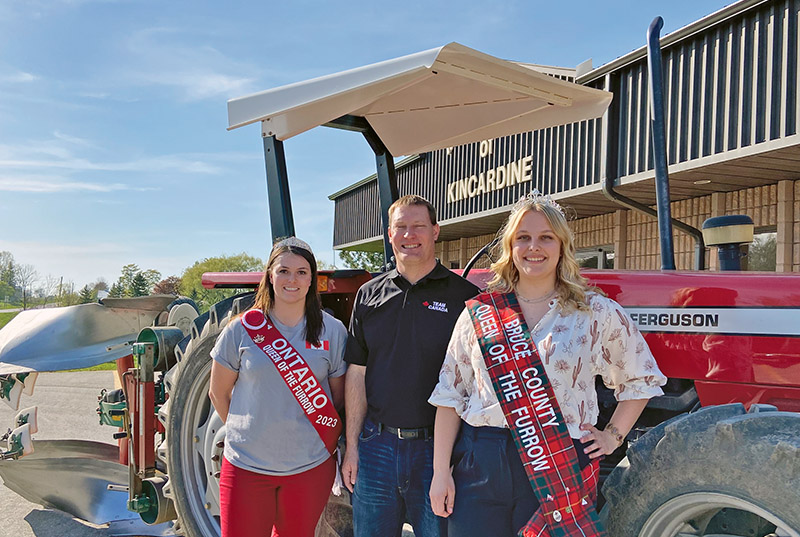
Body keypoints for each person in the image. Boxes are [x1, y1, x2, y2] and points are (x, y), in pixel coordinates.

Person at [428, 192, 667, 537]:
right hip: (480, 461)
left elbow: (642, 378)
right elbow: (450, 396)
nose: (533, 247)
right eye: (523, 238)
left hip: (558, 461)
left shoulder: (594, 311)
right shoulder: (478, 314)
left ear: (561, 245)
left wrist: (613, 437)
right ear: (510, 246)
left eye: (545, 237)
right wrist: (440, 473)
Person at [342, 195, 480, 537]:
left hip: (439, 453)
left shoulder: (466, 297)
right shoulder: (368, 296)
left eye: (418, 226)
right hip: (377, 450)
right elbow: (356, 375)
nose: (410, 234)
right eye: (401, 227)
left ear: (435, 231)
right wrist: (353, 447)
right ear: (390, 234)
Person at [209, 237, 347, 537]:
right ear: (269, 275)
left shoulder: (333, 331)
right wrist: (248, 430)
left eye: (301, 272)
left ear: (312, 280)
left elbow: (338, 399)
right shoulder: (241, 329)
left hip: (309, 468)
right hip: (246, 468)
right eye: (283, 271)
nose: (292, 279)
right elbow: (218, 393)